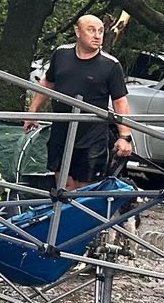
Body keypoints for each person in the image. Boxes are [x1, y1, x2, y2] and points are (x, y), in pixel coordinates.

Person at [25, 14, 131, 186]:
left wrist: (125, 136)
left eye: (101, 31)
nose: (97, 35)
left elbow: (120, 101)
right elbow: (48, 83)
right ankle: (63, 205)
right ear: (78, 32)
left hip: (92, 136)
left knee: (85, 190)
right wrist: (32, 112)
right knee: (64, 187)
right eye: (91, 30)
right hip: (61, 131)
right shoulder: (61, 54)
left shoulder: (111, 65)